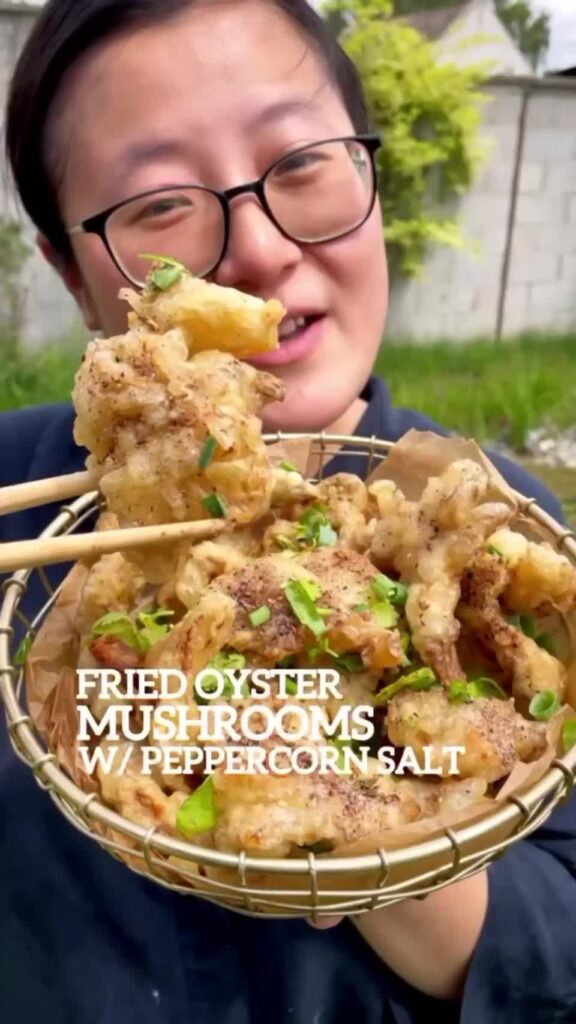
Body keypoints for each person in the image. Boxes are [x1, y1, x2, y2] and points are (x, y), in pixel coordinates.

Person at [0, 1, 574, 1021]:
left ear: (373, 180)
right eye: (162, 201)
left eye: (303, 161)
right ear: (73, 275)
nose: (258, 249)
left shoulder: (506, 527)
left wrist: (364, 829)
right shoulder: (18, 508)